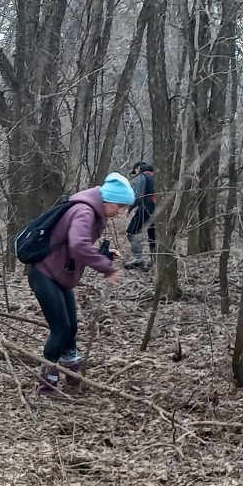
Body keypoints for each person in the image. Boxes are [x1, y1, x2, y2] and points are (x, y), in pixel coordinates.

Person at [29, 173, 132, 396]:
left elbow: (74, 243)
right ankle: (47, 383)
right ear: (108, 200)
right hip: (45, 274)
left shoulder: (89, 211)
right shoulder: (84, 211)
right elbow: (77, 246)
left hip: (58, 275)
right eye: (120, 206)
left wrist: (101, 253)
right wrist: (107, 268)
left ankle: (72, 371)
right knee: (61, 329)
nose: (120, 212)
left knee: (71, 327)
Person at [126, 161, 156, 268]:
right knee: (153, 235)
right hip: (158, 209)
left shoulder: (143, 177)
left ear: (138, 168)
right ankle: (155, 261)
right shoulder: (156, 176)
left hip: (145, 208)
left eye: (135, 171)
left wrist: (130, 208)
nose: (136, 174)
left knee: (132, 232)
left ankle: (138, 258)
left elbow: (138, 196)